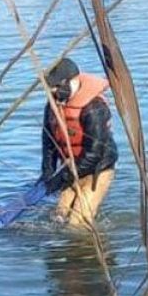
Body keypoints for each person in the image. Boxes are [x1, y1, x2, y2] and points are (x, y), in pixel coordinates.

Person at [41, 58, 117, 224]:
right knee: (58, 216)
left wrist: (64, 177)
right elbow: (48, 140)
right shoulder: (53, 105)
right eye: (51, 89)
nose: (54, 92)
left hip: (98, 169)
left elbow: (95, 152)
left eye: (57, 87)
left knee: (78, 222)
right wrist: (47, 172)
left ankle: (89, 246)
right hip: (71, 166)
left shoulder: (94, 108)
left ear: (72, 81)